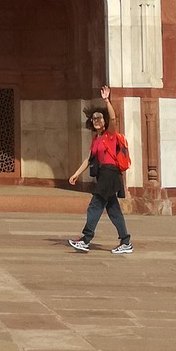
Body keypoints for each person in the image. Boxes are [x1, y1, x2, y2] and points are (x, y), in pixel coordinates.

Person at [67, 84, 132, 253]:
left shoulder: (110, 135)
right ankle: (126, 242)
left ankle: (86, 239)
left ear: (104, 121)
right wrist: (75, 174)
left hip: (110, 174)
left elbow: (114, 118)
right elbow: (89, 159)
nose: (96, 121)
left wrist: (107, 101)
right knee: (113, 209)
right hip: (104, 175)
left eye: (99, 118)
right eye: (94, 119)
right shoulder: (96, 140)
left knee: (95, 205)